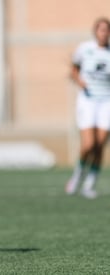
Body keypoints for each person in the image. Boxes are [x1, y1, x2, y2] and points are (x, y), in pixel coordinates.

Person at [65, 17, 110, 199]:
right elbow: (73, 70)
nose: (104, 33)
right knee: (88, 144)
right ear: (95, 32)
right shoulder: (85, 49)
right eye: (101, 30)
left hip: (106, 101)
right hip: (88, 100)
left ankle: (90, 184)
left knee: (99, 146)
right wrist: (79, 81)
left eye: (107, 30)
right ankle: (78, 175)